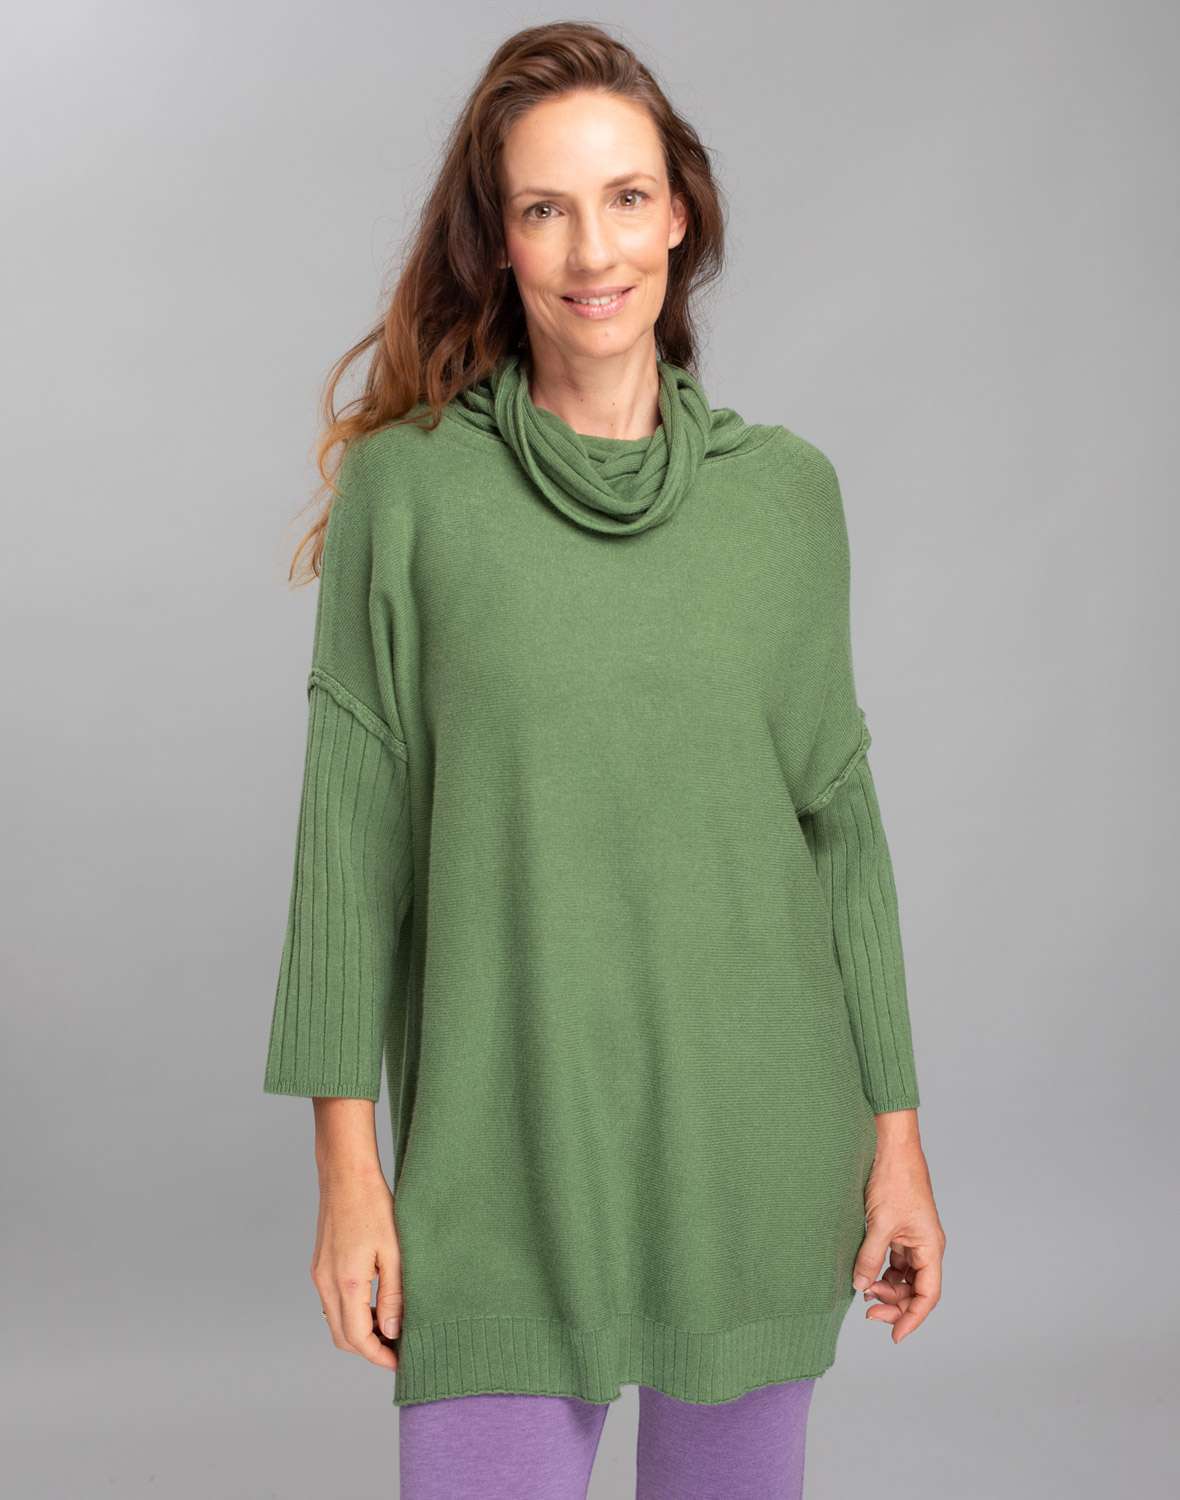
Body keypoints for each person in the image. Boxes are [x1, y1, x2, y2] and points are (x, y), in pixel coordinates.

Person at [261, 20, 945, 1500]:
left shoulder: (786, 501)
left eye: (627, 198)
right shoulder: (412, 492)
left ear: (680, 214)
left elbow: (840, 828)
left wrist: (897, 1140)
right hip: (501, 1161)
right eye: (545, 207)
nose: (594, 251)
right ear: (496, 239)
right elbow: (349, 844)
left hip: (760, 1148)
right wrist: (349, 1174)